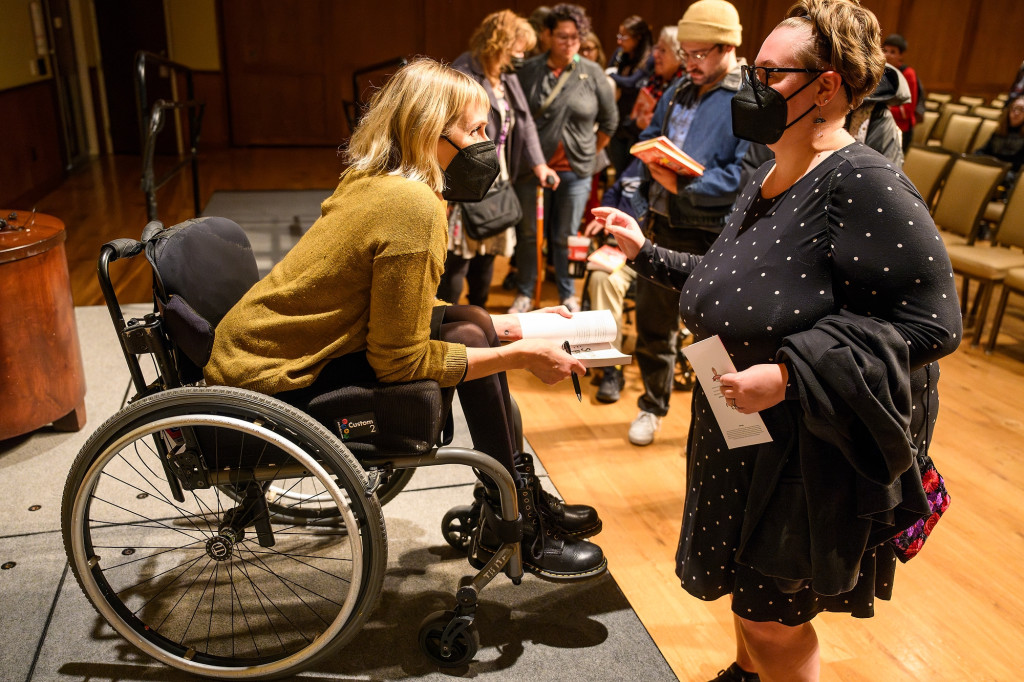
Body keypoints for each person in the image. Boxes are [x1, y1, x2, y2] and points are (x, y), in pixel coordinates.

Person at [592, 1, 962, 679]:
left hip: (803, 438)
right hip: (737, 418)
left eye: (770, 73)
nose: (751, 86)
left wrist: (791, 373)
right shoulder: (770, 169)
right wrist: (645, 252)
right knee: (745, 579)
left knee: (774, 609)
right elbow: (743, 280)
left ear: (827, 85)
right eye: (753, 69)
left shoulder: (865, 182)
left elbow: (932, 324)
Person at [205, 58, 606, 582]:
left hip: (270, 342)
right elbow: (400, 361)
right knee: (471, 333)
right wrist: (520, 357)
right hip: (271, 376)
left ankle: (513, 500)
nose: (487, 144)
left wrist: (511, 325)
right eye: (476, 130)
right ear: (427, 130)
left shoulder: (377, 180)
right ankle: (515, 518)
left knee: (471, 323)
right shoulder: (415, 207)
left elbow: (393, 302)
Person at [626, 0, 750, 446]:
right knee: (654, 327)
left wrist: (684, 186)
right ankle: (651, 406)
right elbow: (647, 135)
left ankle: (728, 421)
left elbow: (747, 176)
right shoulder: (680, 88)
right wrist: (649, 157)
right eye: (686, 53)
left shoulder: (746, 97)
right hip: (662, 221)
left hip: (711, 231)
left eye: (699, 54)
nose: (690, 63)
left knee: (714, 336)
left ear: (727, 47)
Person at [580, 26, 685, 404]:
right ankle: (609, 369)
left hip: (668, 251)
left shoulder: (684, 178)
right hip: (627, 247)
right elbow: (614, 188)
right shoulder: (641, 160)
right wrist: (605, 217)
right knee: (600, 276)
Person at [438, 11, 559, 309]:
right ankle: (446, 320)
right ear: (499, 42)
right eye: (517, 47)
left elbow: (526, 120)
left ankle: (476, 315)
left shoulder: (505, 75)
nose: (521, 54)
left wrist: (539, 164)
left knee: (488, 247)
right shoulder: (464, 71)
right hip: (467, 176)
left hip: (498, 175)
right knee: (460, 257)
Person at [510, 3, 618, 314]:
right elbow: (519, 119)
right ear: (546, 35)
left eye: (575, 37)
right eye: (562, 36)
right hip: (532, 170)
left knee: (566, 236)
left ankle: (567, 293)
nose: (570, 43)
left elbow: (610, 122)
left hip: (576, 172)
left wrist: (587, 153)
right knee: (529, 235)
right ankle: (525, 292)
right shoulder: (529, 70)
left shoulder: (592, 72)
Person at [606, 15, 655, 174]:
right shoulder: (620, 54)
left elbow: (632, 83)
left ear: (638, 38)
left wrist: (611, 76)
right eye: (618, 36)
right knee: (619, 169)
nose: (619, 41)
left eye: (624, 37)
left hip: (636, 124)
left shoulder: (649, 57)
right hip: (617, 118)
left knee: (631, 174)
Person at [882, 33, 922, 154]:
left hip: (901, 130)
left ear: (901, 55)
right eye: (885, 51)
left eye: (893, 52)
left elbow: (908, 110)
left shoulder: (908, 74)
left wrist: (882, 108)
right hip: (883, 126)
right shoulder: (882, 70)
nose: (887, 55)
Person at [975, 96, 1024, 188]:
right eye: (1014, 108)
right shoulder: (1000, 131)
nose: (1016, 113)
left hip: (1011, 180)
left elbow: (1019, 168)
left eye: (1022, 110)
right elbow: (983, 151)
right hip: (990, 171)